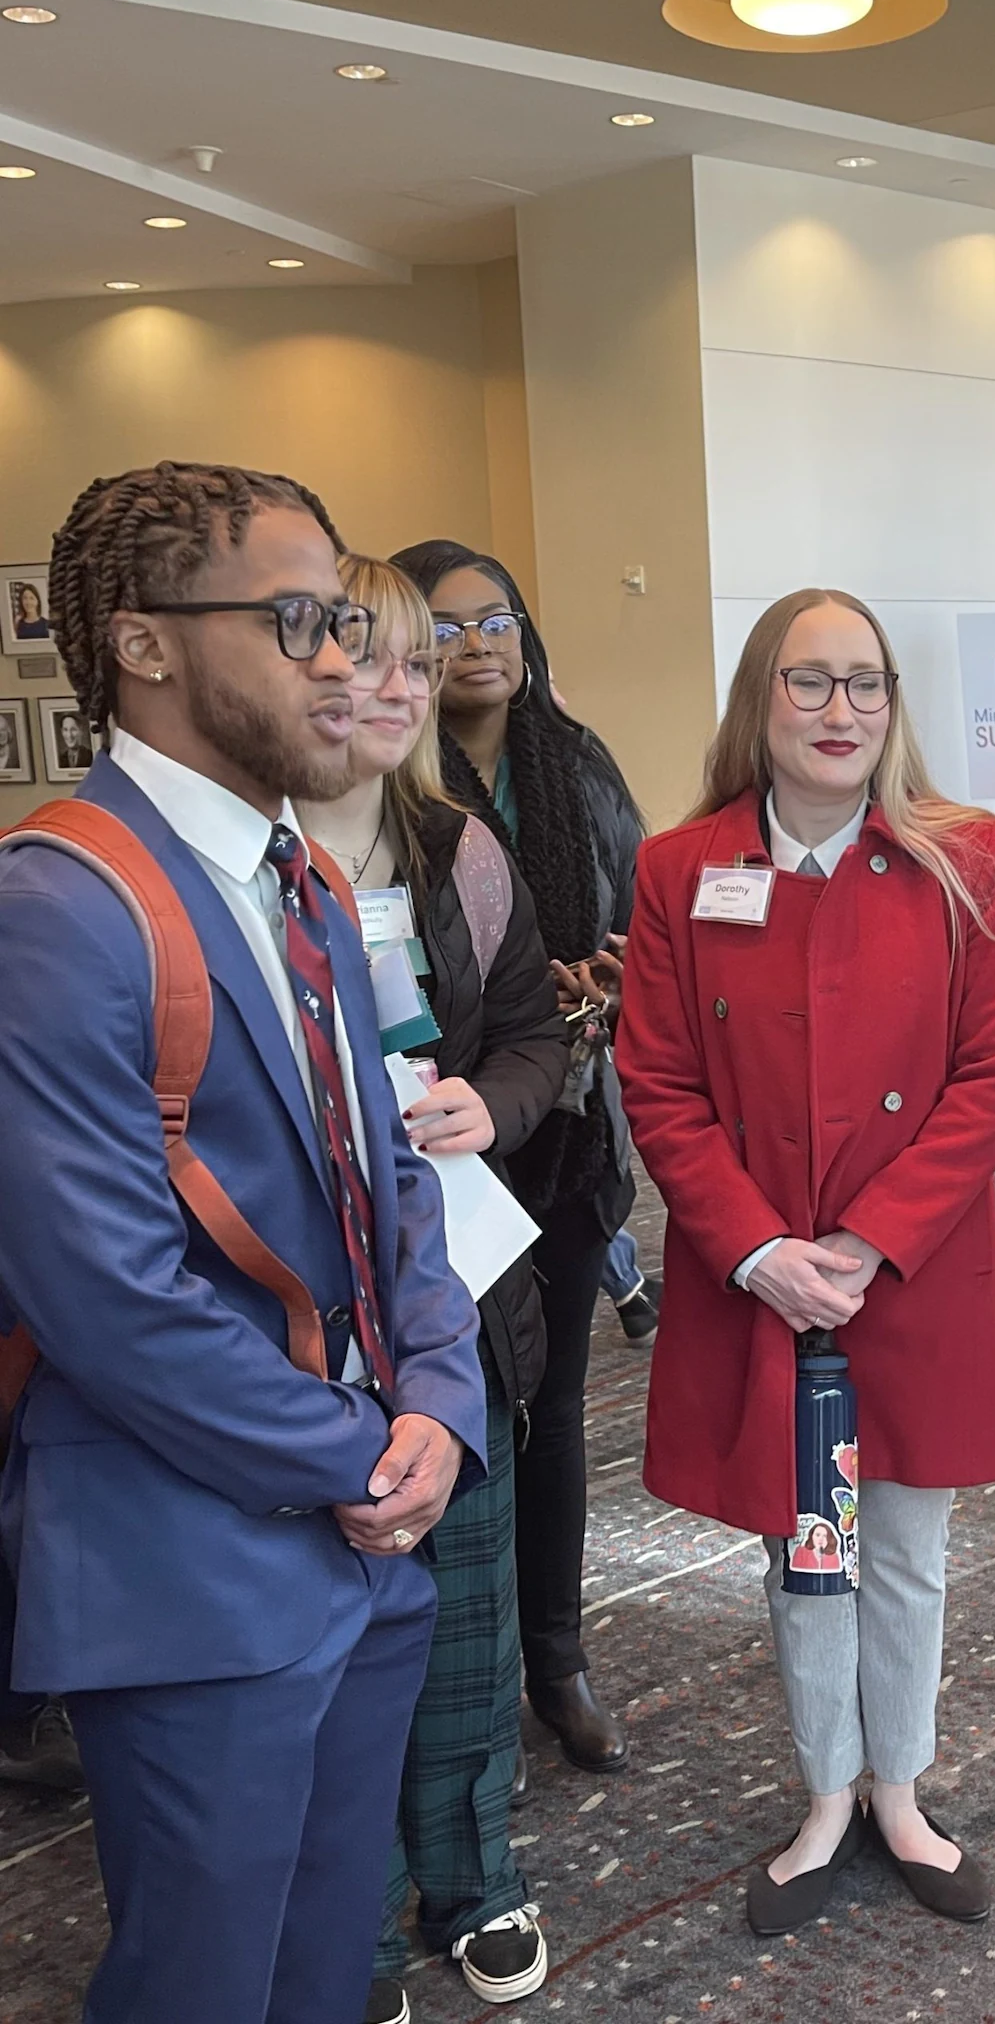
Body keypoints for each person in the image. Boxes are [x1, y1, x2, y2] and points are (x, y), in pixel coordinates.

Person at [0, 461, 487, 2021]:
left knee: (323, 1966)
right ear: (144, 646)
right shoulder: (59, 905)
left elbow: (397, 1180)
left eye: (341, 617)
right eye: (297, 621)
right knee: (200, 1986)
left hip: (365, 1539)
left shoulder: (307, 885)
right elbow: (107, 1299)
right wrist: (360, 1457)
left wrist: (440, 1409)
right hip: (189, 1558)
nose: (342, 659)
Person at [617, 589, 995, 1936]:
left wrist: (864, 1245)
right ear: (762, 700)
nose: (841, 711)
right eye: (811, 683)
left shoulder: (964, 858)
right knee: (808, 1550)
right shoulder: (684, 868)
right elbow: (661, 1083)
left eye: (866, 685)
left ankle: (901, 1792)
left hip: (906, 1277)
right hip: (764, 1286)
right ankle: (822, 1796)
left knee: (904, 1545)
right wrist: (756, 1252)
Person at [298, 555, 568, 2018]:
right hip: (290, 1304)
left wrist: (491, 1103)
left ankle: (473, 1876)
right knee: (320, 1609)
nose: (399, 688)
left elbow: (534, 1037)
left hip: (455, 1283)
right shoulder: (233, 861)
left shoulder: (458, 850)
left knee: (465, 1594)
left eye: (416, 661)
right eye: (366, 656)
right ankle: (334, 1898)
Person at [390, 540, 642, 1775]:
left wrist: (606, 983)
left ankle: (556, 1654)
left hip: (567, 1129)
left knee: (551, 1413)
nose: (477, 643)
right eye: (444, 626)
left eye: (497, 619)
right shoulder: (379, 768)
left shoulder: (575, 762)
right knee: (447, 1405)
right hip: (434, 1147)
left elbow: (644, 920)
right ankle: (447, 1674)